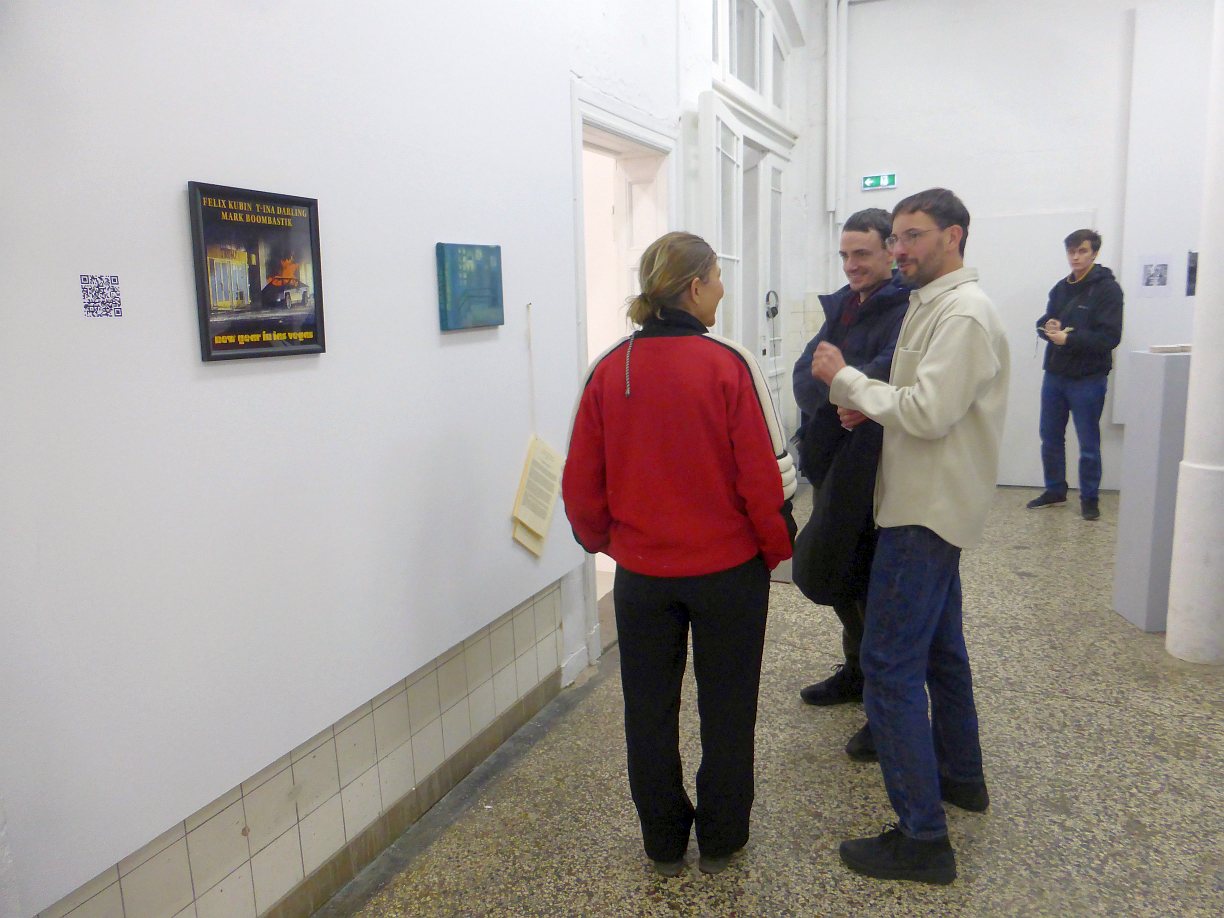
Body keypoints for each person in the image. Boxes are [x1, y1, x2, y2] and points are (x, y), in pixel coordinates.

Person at [562, 231, 796, 878]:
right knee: (729, 709)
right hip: (728, 576)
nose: (722, 289)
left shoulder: (610, 368)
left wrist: (609, 542)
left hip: (642, 578)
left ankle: (663, 840)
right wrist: (774, 550)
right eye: (716, 277)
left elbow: (580, 485)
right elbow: (764, 476)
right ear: (694, 287)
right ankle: (722, 836)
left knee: (647, 712)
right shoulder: (728, 363)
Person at [811, 189, 1009, 885]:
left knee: (890, 664)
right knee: (942, 652)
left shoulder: (964, 313)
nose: (899, 249)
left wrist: (847, 381)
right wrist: (870, 404)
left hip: (924, 512)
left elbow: (926, 412)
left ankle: (922, 838)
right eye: (895, 236)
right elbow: (920, 396)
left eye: (913, 236)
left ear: (954, 235)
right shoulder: (935, 303)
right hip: (926, 503)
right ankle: (961, 778)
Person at [790, 208, 908, 764]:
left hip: (879, 472)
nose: (851, 265)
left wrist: (844, 382)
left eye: (861, 253)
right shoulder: (843, 305)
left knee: (873, 586)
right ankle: (857, 673)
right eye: (844, 255)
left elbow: (886, 376)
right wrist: (844, 393)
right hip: (835, 463)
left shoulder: (906, 308)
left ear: (889, 251)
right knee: (837, 570)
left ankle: (885, 707)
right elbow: (805, 372)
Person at [1027, 229, 1124, 520]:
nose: (1076, 257)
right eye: (1071, 251)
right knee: (1050, 436)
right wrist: (1047, 327)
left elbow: (1109, 337)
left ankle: (1090, 498)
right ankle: (1055, 490)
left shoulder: (1108, 290)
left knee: (1088, 442)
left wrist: (1069, 339)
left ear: (1094, 253)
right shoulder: (1061, 288)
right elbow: (1046, 320)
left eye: (1082, 251)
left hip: (1088, 377)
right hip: (1055, 374)